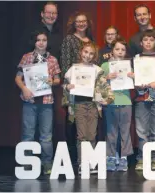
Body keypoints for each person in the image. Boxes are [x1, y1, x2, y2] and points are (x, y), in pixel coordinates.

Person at [62, 42, 114, 175]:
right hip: (78, 105)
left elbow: (105, 86)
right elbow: (65, 86)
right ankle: (81, 163)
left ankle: (90, 163)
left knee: (92, 135)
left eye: (91, 53)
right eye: (86, 52)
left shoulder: (97, 70)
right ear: (81, 52)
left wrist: (107, 99)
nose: (88, 55)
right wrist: (67, 88)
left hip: (92, 106)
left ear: (94, 55)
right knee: (82, 135)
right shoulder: (73, 70)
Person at [15, 30, 61, 175]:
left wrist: (53, 81)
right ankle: (27, 162)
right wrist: (24, 89)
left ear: (47, 42)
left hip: (46, 101)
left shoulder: (52, 59)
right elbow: (18, 78)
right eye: (38, 40)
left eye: (44, 40)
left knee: (46, 135)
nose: (41, 42)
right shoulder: (27, 57)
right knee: (28, 133)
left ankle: (47, 163)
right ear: (34, 42)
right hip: (30, 100)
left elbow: (58, 79)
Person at [130, 29, 155, 170]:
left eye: (151, 40)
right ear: (141, 43)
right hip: (141, 98)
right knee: (141, 131)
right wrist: (133, 78)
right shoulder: (135, 59)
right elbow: (130, 79)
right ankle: (142, 158)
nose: (148, 42)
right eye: (145, 40)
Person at [60, 11, 95, 166]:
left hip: (89, 90)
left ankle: (89, 158)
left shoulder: (91, 40)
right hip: (74, 88)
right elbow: (65, 64)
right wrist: (69, 85)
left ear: (88, 23)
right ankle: (75, 158)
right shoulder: (69, 39)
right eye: (78, 21)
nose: (81, 24)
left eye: (84, 21)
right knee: (73, 122)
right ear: (73, 24)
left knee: (89, 124)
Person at [101, 37, 134, 172]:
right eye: (117, 49)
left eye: (123, 49)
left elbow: (137, 82)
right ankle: (111, 157)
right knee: (111, 131)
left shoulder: (129, 65)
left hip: (126, 101)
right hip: (110, 102)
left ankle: (124, 158)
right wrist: (106, 78)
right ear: (112, 51)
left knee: (125, 132)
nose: (120, 52)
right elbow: (98, 83)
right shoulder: (104, 66)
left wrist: (134, 76)